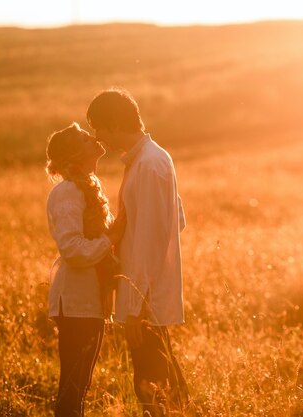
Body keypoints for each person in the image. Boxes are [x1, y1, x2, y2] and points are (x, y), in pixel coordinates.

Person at [87, 88, 189, 416]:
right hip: (145, 293)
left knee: (152, 387)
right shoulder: (148, 159)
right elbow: (176, 220)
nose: (97, 137)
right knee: (161, 383)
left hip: (144, 299)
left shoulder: (149, 164)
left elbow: (151, 237)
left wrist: (137, 304)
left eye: (98, 128)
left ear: (115, 124)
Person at [45, 122, 124, 417]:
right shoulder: (67, 192)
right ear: (76, 153)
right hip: (76, 302)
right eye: (84, 137)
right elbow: (73, 250)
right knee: (73, 388)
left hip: (89, 302)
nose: (94, 138)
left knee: (80, 385)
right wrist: (110, 239)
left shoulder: (88, 188)